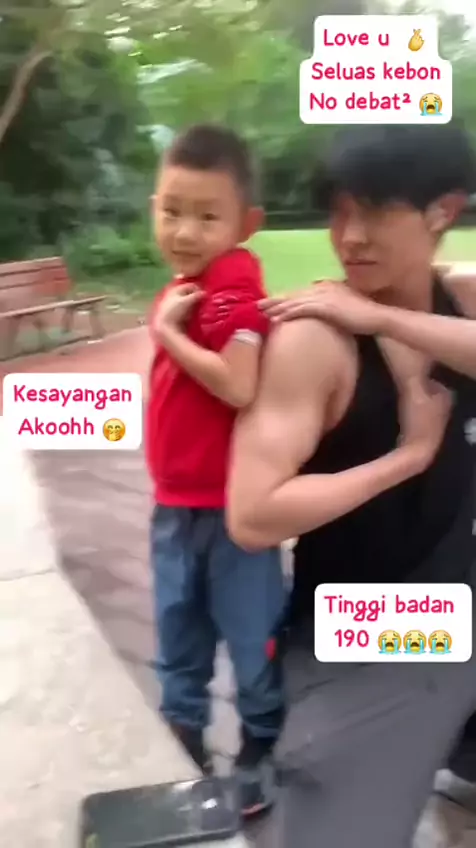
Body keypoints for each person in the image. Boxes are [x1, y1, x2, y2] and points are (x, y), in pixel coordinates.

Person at [226, 124, 476, 847]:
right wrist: (406, 457)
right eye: (339, 211)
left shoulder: (459, 296)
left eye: (375, 212)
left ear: (442, 211)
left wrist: (384, 317)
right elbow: (252, 514)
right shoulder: (316, 340)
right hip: (376, 630)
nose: (350, 237)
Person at [145, 124, 286, 816]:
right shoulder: (189, 283)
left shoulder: (230, 281)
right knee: (178, 628)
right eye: (172, 211)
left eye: (207, 216)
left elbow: (237, 382)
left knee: (250, 631)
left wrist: (166, 334)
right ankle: (182, 733)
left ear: (245, 225)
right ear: (153, 208)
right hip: (175, 503)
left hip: (232, 511)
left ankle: (264, 739)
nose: (184, 231)